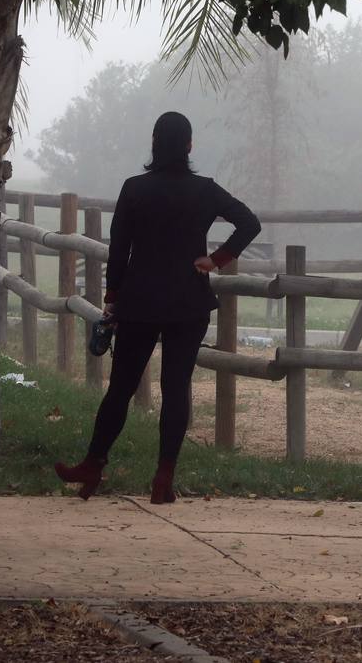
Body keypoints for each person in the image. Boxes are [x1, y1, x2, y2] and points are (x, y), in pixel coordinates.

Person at [54, 111, 260, 503]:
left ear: (153, 143)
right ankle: (163, 478)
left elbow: (120, 250)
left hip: (139, 302)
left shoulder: (134, 189)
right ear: (189, 146)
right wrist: (216, 259)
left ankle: (93, 464)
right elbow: (249, 223)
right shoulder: (205, 190)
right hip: (188, 301)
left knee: (120, 389)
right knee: (176, 388)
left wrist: (113, 296)